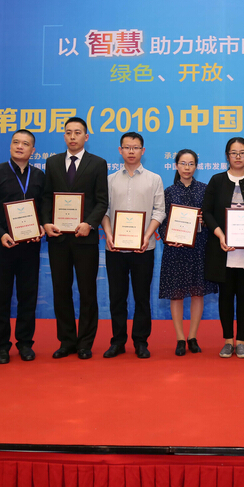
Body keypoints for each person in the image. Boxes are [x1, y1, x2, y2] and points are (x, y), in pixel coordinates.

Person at [41, 116, 108, 360]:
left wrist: (89, 223)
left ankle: (85, 343)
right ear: (64, 136)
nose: (72, 136)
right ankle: (67, 340)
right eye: (68, 132)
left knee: (87, 291)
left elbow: (102, 200)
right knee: (61, 290)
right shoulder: (52, 162)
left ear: (86, 137)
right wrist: (46, 222)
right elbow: (46, 197)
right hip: (58, 238)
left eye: (77, 132)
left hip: (85, 238)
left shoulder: (97, 163)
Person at [0, 130, 46, 364]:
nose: (20, 146)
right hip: (3, 245)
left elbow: (44, 206)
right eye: (16, 142)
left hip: (30, 246)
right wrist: (0, 233)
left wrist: (41, 226)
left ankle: (25, 343)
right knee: (1, 298)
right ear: (10, 146)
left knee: (28, 297)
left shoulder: (39, 176)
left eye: (25, 144)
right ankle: (1, 346)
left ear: (33, 150)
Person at [202, 137, 244, 359]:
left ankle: (241, 341)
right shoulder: (217, 180)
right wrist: (220, 235)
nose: (238, 156)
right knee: (225, 296)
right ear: (227, 156)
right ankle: (228, 341)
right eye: (234, 152)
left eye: (242, 152)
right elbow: (207, 212)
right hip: (223, 248)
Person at [101, 132, 166, 359]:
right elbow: (103, 210)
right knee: (117, 297)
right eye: (127, 147)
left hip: (143, 248)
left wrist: (147, 235)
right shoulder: (109, 180)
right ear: (120, 150)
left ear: (142, 151)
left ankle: (141, 342)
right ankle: (118, 341)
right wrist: (108, 234)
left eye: (136, 147)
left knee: (142, 297)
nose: (131, 151)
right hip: (115, 248)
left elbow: (159, 211)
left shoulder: (154, 179)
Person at [157, 149, 217, 356]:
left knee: (197, 292)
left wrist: (204, 221)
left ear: (196, 166)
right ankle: (180, 338)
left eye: (191, 164)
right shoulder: (168, 192)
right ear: (176, 166)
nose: (187, 168)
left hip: (199, 248)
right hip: (175, 249)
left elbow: (212, 217)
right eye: (183, 163)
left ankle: (193, 336)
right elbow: (161, 221)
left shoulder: (205, 190)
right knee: (177, 294)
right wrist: (168, 237)